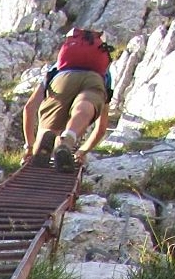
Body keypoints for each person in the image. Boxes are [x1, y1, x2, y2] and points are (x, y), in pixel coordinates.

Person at [21, 28, 114, 172]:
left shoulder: (56, 68)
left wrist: (29, 146)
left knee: (50, 123)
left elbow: (29, 108)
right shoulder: (105, 74)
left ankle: (44, 140)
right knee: (84, 106)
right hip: (94, 80)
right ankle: (67, 139)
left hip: (62, 79)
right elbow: (101, 129)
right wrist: (82, 151)